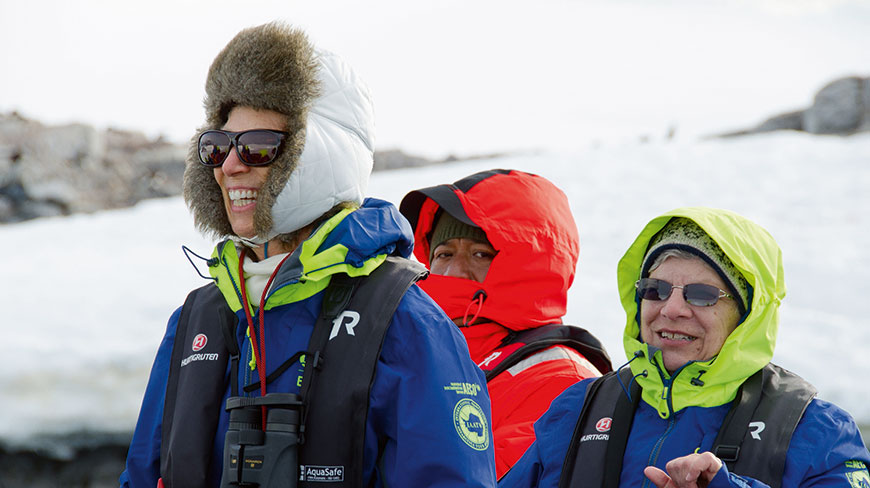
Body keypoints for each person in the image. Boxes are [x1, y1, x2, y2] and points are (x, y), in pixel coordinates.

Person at [120, 22, 496, 488]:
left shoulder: (402, 321)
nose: (230, 165)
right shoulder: (197, 319)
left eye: (257, 146)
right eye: (217, 147)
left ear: (316, 154)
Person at [500, 207, 870, 488]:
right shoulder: (578, 409)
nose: (672, 309)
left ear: (746, 315)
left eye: (703, 295)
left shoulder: (817, 431)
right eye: (655, 289)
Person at [400, 169, 612, 480]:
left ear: (533, 267)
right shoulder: (411, 346)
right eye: (444, 253)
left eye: (480, 253)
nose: (455, 271)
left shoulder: (563, 380)